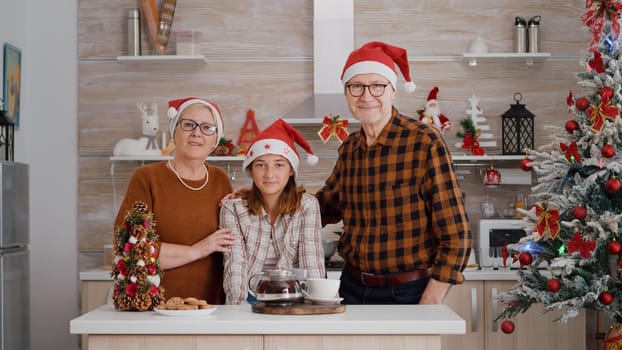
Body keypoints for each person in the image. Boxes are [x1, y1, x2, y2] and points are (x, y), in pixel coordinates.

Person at [316, 41, 472, 304]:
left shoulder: (423, 143)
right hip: (351, 289)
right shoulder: (350, 149)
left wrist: (431, 299)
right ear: (346, 93)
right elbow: (321, 208)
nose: (366, 96)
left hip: (409, 292)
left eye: (377, 86)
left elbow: (457, 235)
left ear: (393, 91)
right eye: (356, 86)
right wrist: (267, 195)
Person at [114, 97, 235, 304]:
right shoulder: (147, 178)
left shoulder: (220, 179)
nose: (197, 132)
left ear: (216, 140)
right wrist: (197, 250)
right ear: (174, 132)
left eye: (207, 127)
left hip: (212, 309)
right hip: (156, 308)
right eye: (188, 124)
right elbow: (130, 249)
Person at [220, 119, 325, 305]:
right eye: (260, 164)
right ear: (251, 170)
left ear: (291, 170)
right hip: (249, 297)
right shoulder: (232, 208)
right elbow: (235, 264)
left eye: (279, 165)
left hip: (293, 298)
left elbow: (312, 262)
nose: (269, 174)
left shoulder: (308, 206)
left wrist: (314, 307)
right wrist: (237, 310)